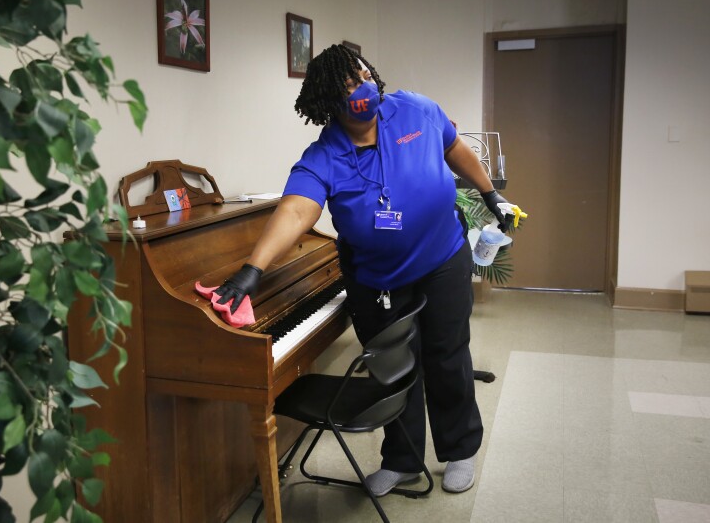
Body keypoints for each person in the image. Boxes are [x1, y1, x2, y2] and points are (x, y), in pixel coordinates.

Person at [215, 44, 516, 496]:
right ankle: (402, 460)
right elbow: (297, 211)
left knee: (448, 355)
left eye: (362, 75)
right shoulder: (325, 155)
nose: (362, 87)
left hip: (441, 259)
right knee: (392, 367)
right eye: (348, 85)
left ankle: (459, 449)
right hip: (377, 278)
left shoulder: (416, 110)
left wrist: (490, 195)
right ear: (328, 103)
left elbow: (455, 149)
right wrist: (252, 269)